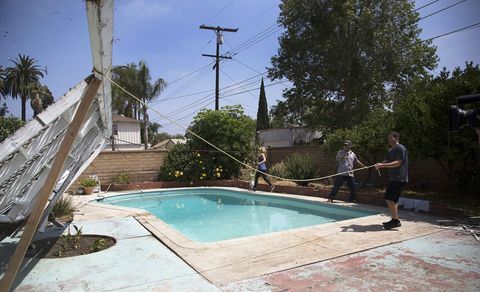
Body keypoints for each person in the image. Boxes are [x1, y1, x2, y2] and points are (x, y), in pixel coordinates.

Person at [375, 131, 408, 230]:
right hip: (394, 178)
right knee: (393, 200)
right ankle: (395, 219)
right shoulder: (391, 150)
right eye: (388, 138)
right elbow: (387, 160)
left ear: (396, 138)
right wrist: (379, 164)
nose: (388, 140)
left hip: (399, 178)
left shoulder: (400, 148)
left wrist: (383, 165)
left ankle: (395, 221)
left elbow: (398, 163)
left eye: (390, 138)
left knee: (389, 198)